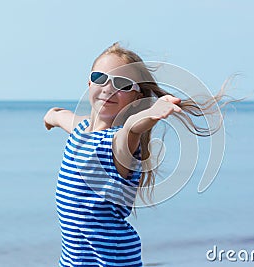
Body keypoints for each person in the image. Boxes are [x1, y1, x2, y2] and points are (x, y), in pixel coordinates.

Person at [43, 42, 235, 267]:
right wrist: (50, 118)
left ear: (136, 98)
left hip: (112, 261)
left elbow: (132, 127)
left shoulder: (119, 143)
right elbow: (59, 115)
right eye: (100, 78)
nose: (108, 88)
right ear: (89, 82)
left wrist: (152, 113)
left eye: (122, 84)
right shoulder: (80, 129)